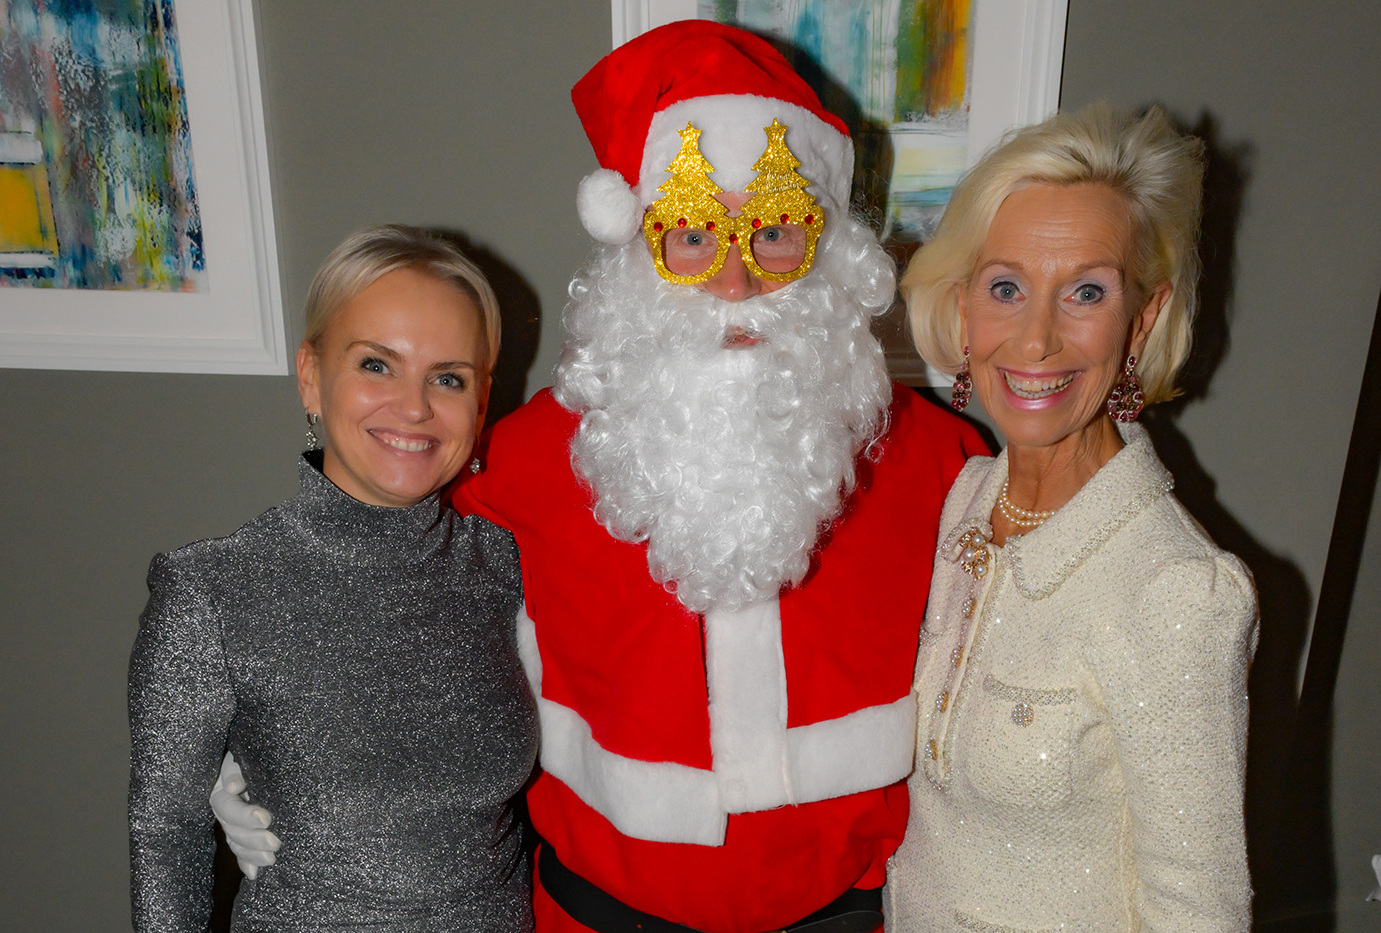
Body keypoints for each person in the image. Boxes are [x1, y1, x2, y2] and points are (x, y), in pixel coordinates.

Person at [214, 21, 984, 932]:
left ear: (826, 249)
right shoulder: (527, 460)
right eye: (692, 235)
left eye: (775, 231)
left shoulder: (939, 463)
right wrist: (259, 732)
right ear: (636, 249)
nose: (735, 282)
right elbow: (383, 580)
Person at [883, 105, 1257, 931]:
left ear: (1143, 320)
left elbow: (1201, 912)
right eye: (1006, 288)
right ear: (964, 306)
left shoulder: (1176, 592)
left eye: (1086, 291)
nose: (1036, 340)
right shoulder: (963, 502)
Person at [128, 225, 538, 932]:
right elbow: (166, 837)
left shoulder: (506, 564)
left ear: (481, 401)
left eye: (448, 377)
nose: (415, 406)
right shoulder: (213, 591)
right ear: (312, 376)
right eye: (377, 364)